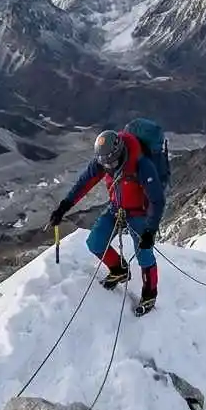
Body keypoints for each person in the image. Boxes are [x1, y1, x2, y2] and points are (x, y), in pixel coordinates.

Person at [49, 129, 166, 315]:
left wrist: (150, 231)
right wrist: (64, 207)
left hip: (139, 212)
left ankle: (149, 293)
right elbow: (83, 183)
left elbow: (157, 200)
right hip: (116, 208)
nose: (109, 168)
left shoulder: (141, 165)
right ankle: (119, 269)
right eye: (105, 164)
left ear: (120, 152)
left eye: (112, 163)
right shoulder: (103, 161)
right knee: (95, 242)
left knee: (144, 253)